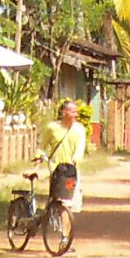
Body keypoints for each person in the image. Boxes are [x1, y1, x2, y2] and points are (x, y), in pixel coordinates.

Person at [45, 99, 89, 239]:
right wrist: (39, 157)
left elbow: (80, 148)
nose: (75, 114)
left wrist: (75, 160)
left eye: (76, 112)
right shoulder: (52, 128)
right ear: (64, 112)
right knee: (61, 202)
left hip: (70, 173)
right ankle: (62, 236)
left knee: (69, 203)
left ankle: (65, 237)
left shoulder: (79, 130)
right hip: (56, 172)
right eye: (72, 111)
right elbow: (42, 146)